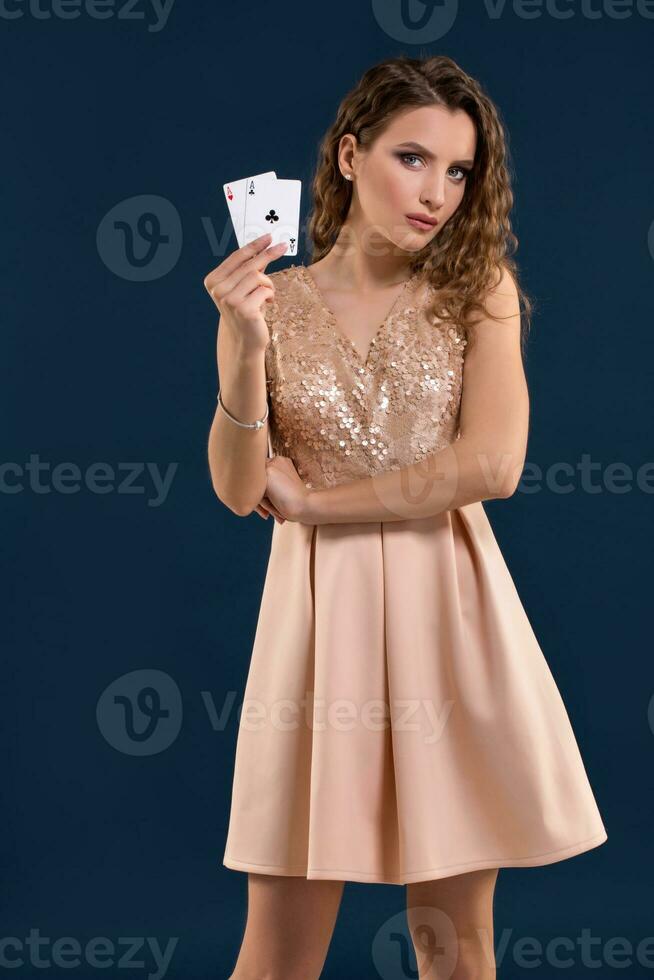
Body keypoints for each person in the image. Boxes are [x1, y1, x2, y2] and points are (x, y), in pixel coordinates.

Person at [204, 54, 607, 980]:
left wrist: (315, 502)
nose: (438, 193)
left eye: (459, 172)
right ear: (350, 155)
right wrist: (242, 345)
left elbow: (493, 465)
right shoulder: (276, 297)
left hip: (448, 609)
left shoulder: (478, 290)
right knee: (276, 953)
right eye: (414, 159)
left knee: (454, 943)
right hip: (316, 625)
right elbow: (236, 488)